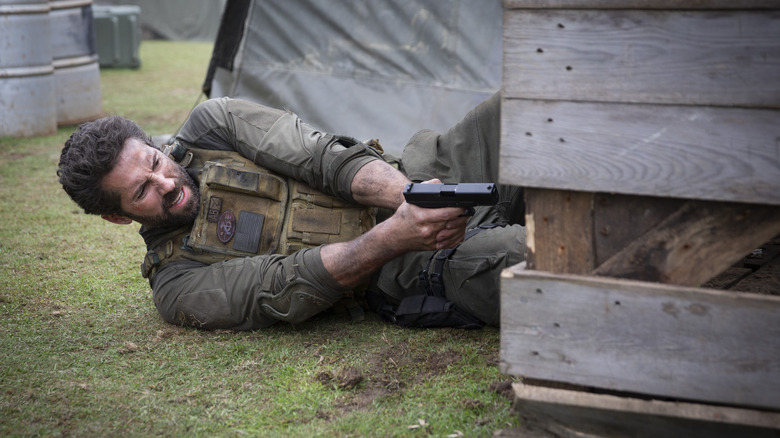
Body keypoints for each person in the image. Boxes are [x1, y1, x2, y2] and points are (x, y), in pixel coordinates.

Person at [57, 92, 526, 331]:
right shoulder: (178, 286)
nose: (166, 184)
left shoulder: (211, 124)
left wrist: (414, 196)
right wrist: (397, 235)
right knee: (536, 257)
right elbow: (288, 284)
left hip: (422, 175)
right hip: (405, 266)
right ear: (118, 217)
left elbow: (318, 154)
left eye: (157, 162)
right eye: (142, 192)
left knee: (530, 106)